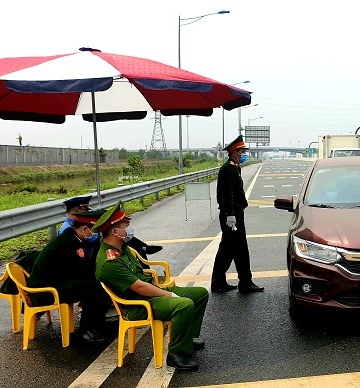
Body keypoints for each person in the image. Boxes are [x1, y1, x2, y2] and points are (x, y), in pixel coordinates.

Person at [93, 201, 209, 371]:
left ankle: (187, 340)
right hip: (139, 305)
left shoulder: (121, 248)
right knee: (184, 304)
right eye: (125, 225)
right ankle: (176, 354)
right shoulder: (109, 261)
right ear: (114, 231)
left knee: (200, 293)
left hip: (150, 293)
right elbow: (139, 287)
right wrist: (170, 295)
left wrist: (164, 291)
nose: (129, 229)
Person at [28, 208, 111, 344]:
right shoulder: (69, 243)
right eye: (94, 231)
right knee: (94, 287)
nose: (95, 234)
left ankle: (96, 326)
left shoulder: (73, 239)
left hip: (57, 282)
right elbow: (81, 269)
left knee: (96, 284)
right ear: (84, 229)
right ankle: (86, 330)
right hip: (45, 291)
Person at [212, 135, 264, 294]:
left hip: (234, 213)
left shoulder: (234, 167)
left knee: (227, 249)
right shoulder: (228, 169)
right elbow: (226, 194)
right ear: (235, 152)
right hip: (232, 216)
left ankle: (218, 282)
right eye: (242, 151)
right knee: (240, 248)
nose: (244, 154)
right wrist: (230, 214)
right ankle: (245, 283)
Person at [59, 195, 163, 261]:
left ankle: (142, 249)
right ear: (77, 210)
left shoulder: (78, 223)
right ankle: (142, 248)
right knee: (113, 236)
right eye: (85, 210)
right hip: (88, 253)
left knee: (120, 237)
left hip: (92, 248)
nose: (87, 213)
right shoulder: (67, 229)